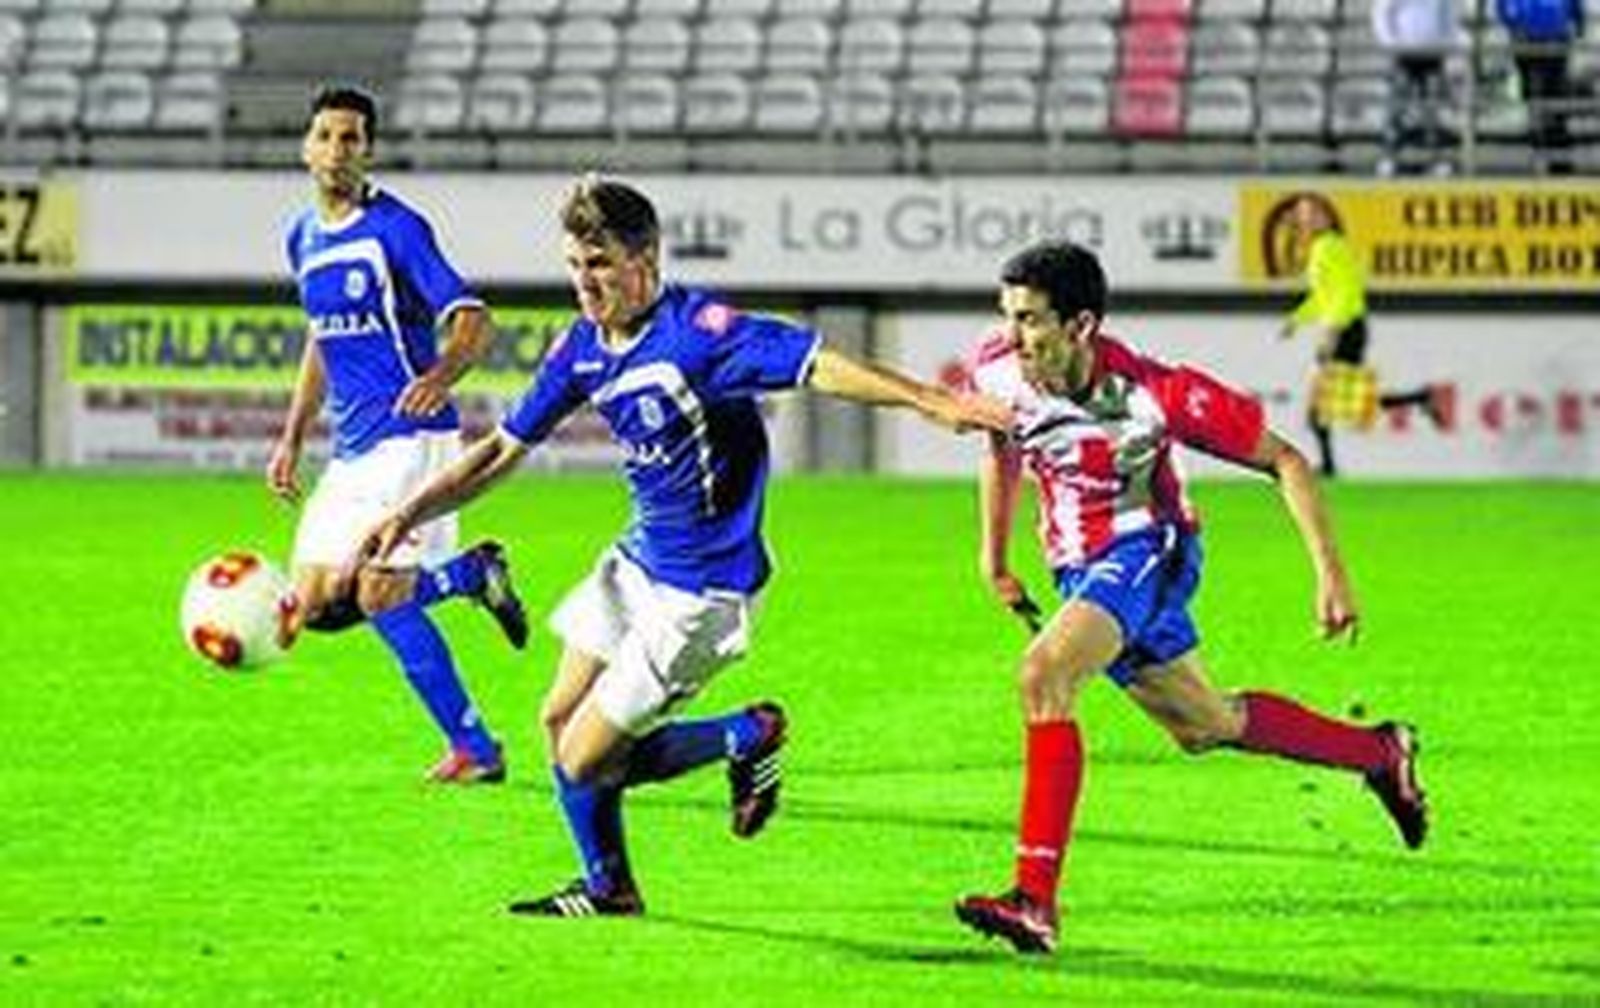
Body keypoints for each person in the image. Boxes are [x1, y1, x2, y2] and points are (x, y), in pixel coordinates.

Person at [351, 175, 1010, 917]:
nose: (585, 282)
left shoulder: (703, 334)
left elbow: (819, 363)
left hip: (703, 591)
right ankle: (610, 888)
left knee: (583, 759)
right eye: (574, 265)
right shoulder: (583, 348)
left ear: (646, 259)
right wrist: (410, 512)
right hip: (636, 563)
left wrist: (932, 400)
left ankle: (747, 733)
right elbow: (503, 449)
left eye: (599, 265)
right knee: (559, 723)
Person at [952, 240, 1429, 956]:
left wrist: (1330, 573)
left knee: (1043, 674)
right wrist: (993, 556)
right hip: (1078, 570)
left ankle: (1034, 900)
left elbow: (1287, 460)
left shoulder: (1159, 395)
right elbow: (1001, 445)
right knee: (1207, 724)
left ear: (1081, 325)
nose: (1014, 337)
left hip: (1150, 553)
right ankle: (1377, 752)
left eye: (1030, 321)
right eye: (1009, 316)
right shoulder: (997, 367)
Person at [266, 85, 528, 785]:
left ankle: (477, 750)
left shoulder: (398, 230)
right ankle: (468, 574)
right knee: (315, 608)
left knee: (380, 595)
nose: (336, 149)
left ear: (369, 150)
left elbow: (474, 319)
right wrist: (292, 436)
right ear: (305, 147)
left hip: (413, 439)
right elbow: (320, 341)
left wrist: (441, 374)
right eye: (325, 135)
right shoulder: (302, 237)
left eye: (351, 138)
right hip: (352, 450)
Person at [1279, 191, 1444, 478]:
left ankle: (1329, 465)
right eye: (1302, 214)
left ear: (1325, 218)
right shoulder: (1321, 248)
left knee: (1325, 402)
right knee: (1347, 402)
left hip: (1345, 328)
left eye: (1312, 213)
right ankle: (1419, 399)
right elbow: (1323, 296)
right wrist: (1296, 320)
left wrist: (1333, 330)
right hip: (1345, 326)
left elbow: (1347, 290)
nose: (1306, 218)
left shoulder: (1330, 246)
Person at [1371, 0, 1461, 176]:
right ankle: (1390, 157)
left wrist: (1446, 44)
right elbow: (1382, 13)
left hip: (1433, 54)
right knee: (1397, 108)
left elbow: (1450, 17)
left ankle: (1435, 159)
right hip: (1403, 54)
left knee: (1432, 110)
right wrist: (1391, 43)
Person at [1496, 0, 1584, 174]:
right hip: (1530, 38)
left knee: (1552, 98)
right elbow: (1504, 7)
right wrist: (1513, 22)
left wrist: (1578, 22)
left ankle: (1555, 156)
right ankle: (1544, 152)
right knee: (1538, 96)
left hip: (1552, 37)